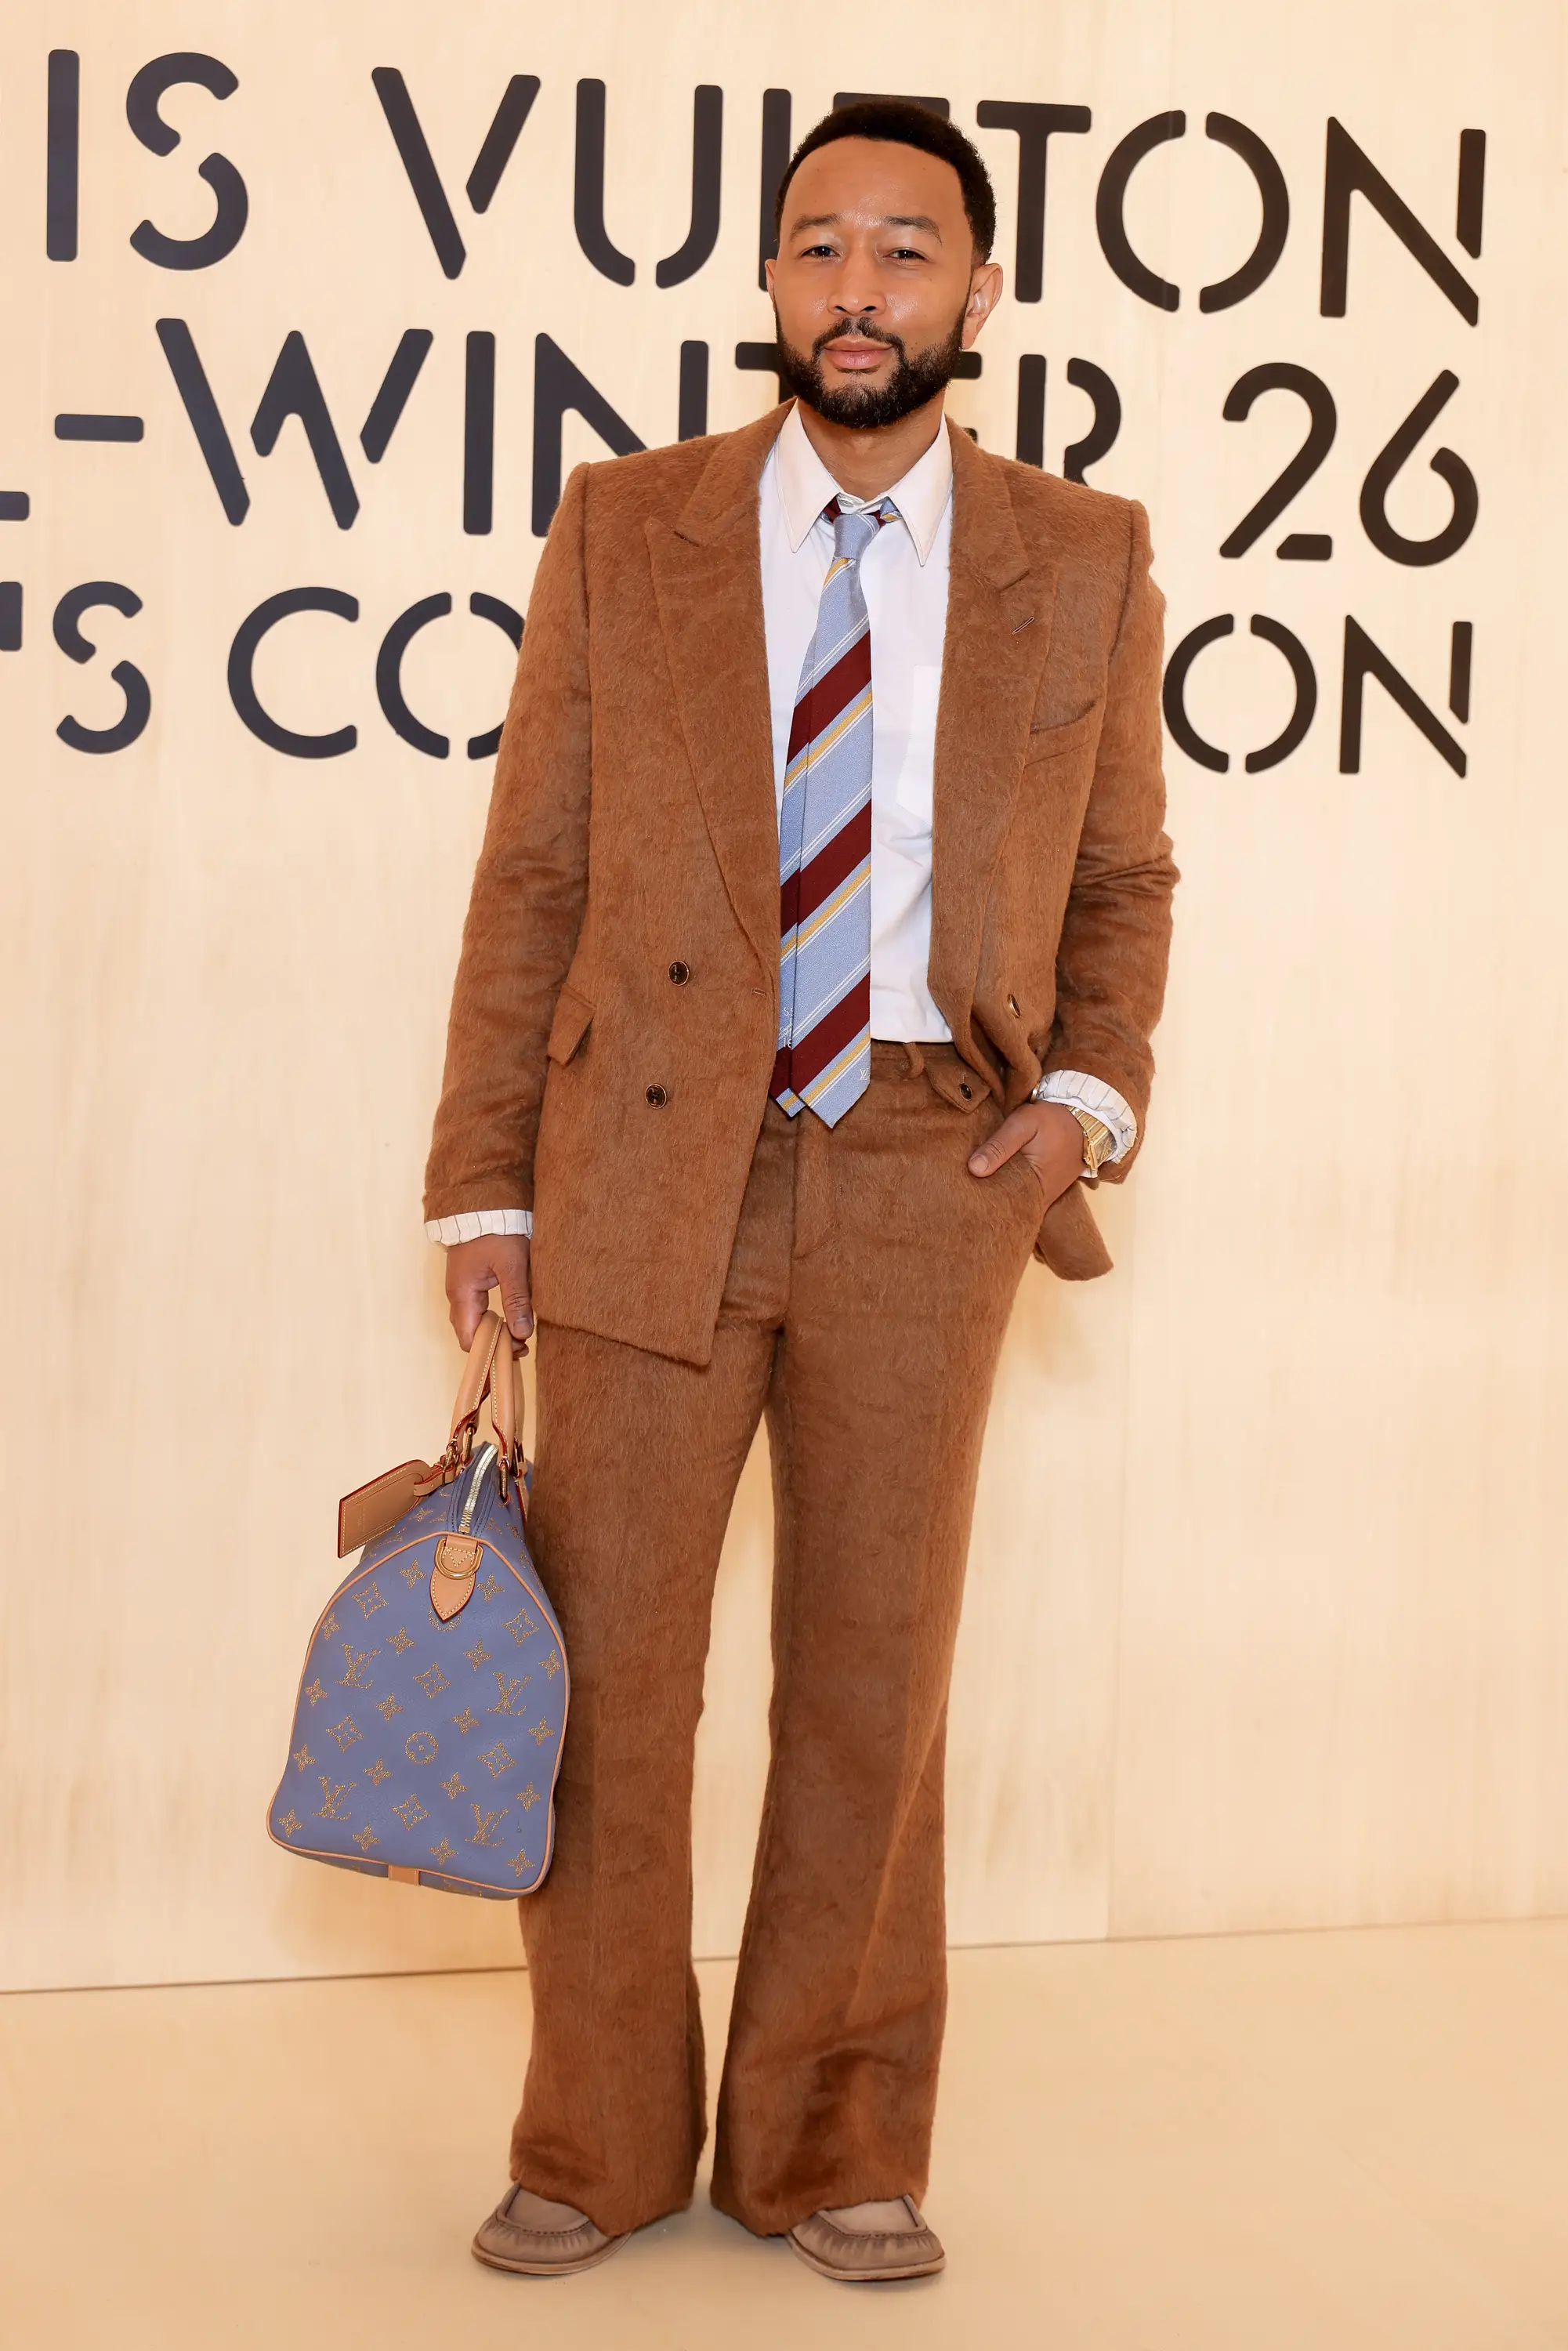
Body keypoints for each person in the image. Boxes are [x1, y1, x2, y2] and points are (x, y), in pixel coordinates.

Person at [422, 96, 1175, 2285]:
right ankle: (592, 2137)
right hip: (647, 1164)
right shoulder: (626, 525)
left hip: (936, 1165)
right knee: (613, 1678)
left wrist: (1093, 1098)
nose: (861, 291)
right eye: (820, 249)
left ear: (981, 291)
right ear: (769, 284)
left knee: (875, 1683)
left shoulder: (1086, 555)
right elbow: (534, 873)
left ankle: (832, 2138)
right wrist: (486, 1187)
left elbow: (1125, 876)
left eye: (906, 252)